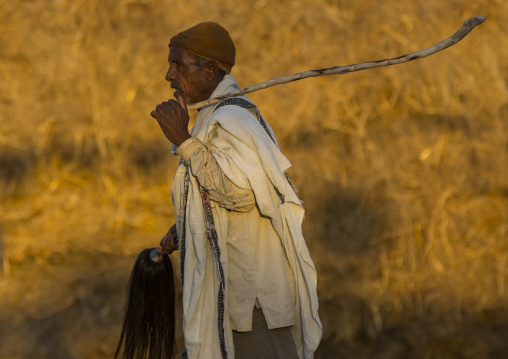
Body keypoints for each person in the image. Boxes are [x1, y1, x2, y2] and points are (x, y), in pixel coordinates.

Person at [150, 22, 322, 359]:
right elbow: (221, 200)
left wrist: (184, 141)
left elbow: (239, 192)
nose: (169, 75)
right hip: (228, 300)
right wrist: (187, 229)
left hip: (253, 307)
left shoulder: (234, 119)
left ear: (210, 70)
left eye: (178, 65)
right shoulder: (212, 117)